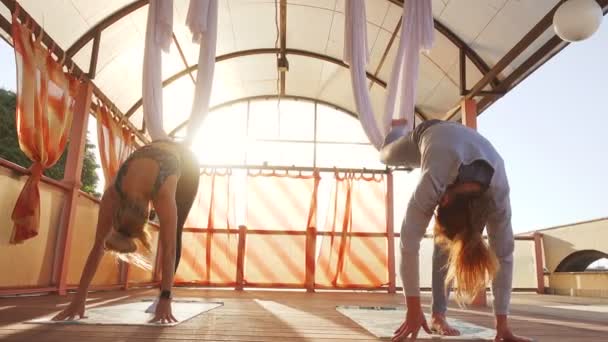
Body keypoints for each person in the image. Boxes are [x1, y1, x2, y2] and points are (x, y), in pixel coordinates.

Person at [381, 119, 532, 342]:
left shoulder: (497, 195)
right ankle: (397, 131)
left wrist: (503, 326)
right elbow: (408, 243)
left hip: (463, 148)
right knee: (386, 156)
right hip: (431, 133)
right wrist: (412, 308)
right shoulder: (435, 178)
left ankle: (438, 315)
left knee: (450, 244)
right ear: (444, 198)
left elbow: (505, 256)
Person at [52, 139, 200, 324]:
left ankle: (164, 293)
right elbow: (99, 245)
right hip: (157, 153)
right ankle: (163, 293)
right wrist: (79, 299)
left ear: (147, 217)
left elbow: (169, 249)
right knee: (169, 232)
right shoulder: (113, 193)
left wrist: (165, 298)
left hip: (186, 162)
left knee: (174, 231)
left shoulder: (162, 194)